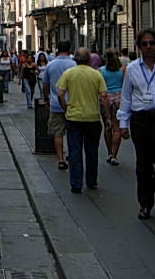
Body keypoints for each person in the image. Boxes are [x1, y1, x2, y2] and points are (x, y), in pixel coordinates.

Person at [118, 29, 155, 220]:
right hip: (141, 119)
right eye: (144, 44)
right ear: (139, 46)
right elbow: (126, 96)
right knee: (143, 163)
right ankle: (145, 203)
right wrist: (122, 123)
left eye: (151, 43)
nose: (148, 47)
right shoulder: (132, 69)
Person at [57, 47, 109, 193]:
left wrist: (65, 108)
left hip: (74, 118)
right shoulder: (96, 75)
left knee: (75, 151)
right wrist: (108, 117)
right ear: (89, 60)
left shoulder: (68, 74)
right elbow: (104, 96)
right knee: (92, 151)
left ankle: (76, 183)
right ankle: (91, 181)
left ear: (75, 59)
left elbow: (60, 94)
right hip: (92, 117)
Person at [41, 42, 78, 173]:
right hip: (73, 104)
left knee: (58, 132)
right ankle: (72, 156)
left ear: (57, 50)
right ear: (69, 50)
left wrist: (46, 97)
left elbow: (45, 84)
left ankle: (61, 160)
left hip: (55, 103)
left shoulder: (50, 65)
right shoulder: (74, 64)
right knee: (73, 133)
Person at [99, 49, 124, 166]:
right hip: (119, 98)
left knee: (107, 126)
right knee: (117, 128)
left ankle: (109, 152)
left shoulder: (101, 71)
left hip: (106, 99)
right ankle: (115, 155)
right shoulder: (123, 70)